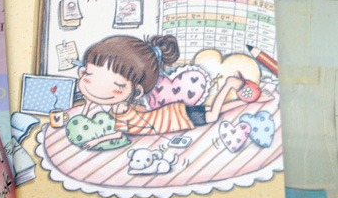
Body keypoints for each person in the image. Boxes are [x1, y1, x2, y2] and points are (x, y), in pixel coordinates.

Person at [77, 34, 269, 149]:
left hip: (175, 119)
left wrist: (96, 141)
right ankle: (242, 97)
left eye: (114, 84)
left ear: (137, 92)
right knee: (211, 110)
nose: (89, 81)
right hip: (171, 115)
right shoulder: (121, 108)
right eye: (89, 73)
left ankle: (229, 85)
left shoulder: (121, 111)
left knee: (212, 115)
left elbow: (119, 134)